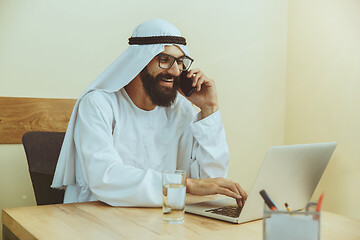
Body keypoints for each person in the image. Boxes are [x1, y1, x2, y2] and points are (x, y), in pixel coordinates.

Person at [51, 19, 247, 207]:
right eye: (165, 60)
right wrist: (187, 184)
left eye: (179, 62)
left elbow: (209, 184)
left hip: (162, 219)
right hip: (98, 219)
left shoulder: (180, 109)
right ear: (138, 62)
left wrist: (209, 109)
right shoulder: (98, 104)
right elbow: (106, 178)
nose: (175, 71)